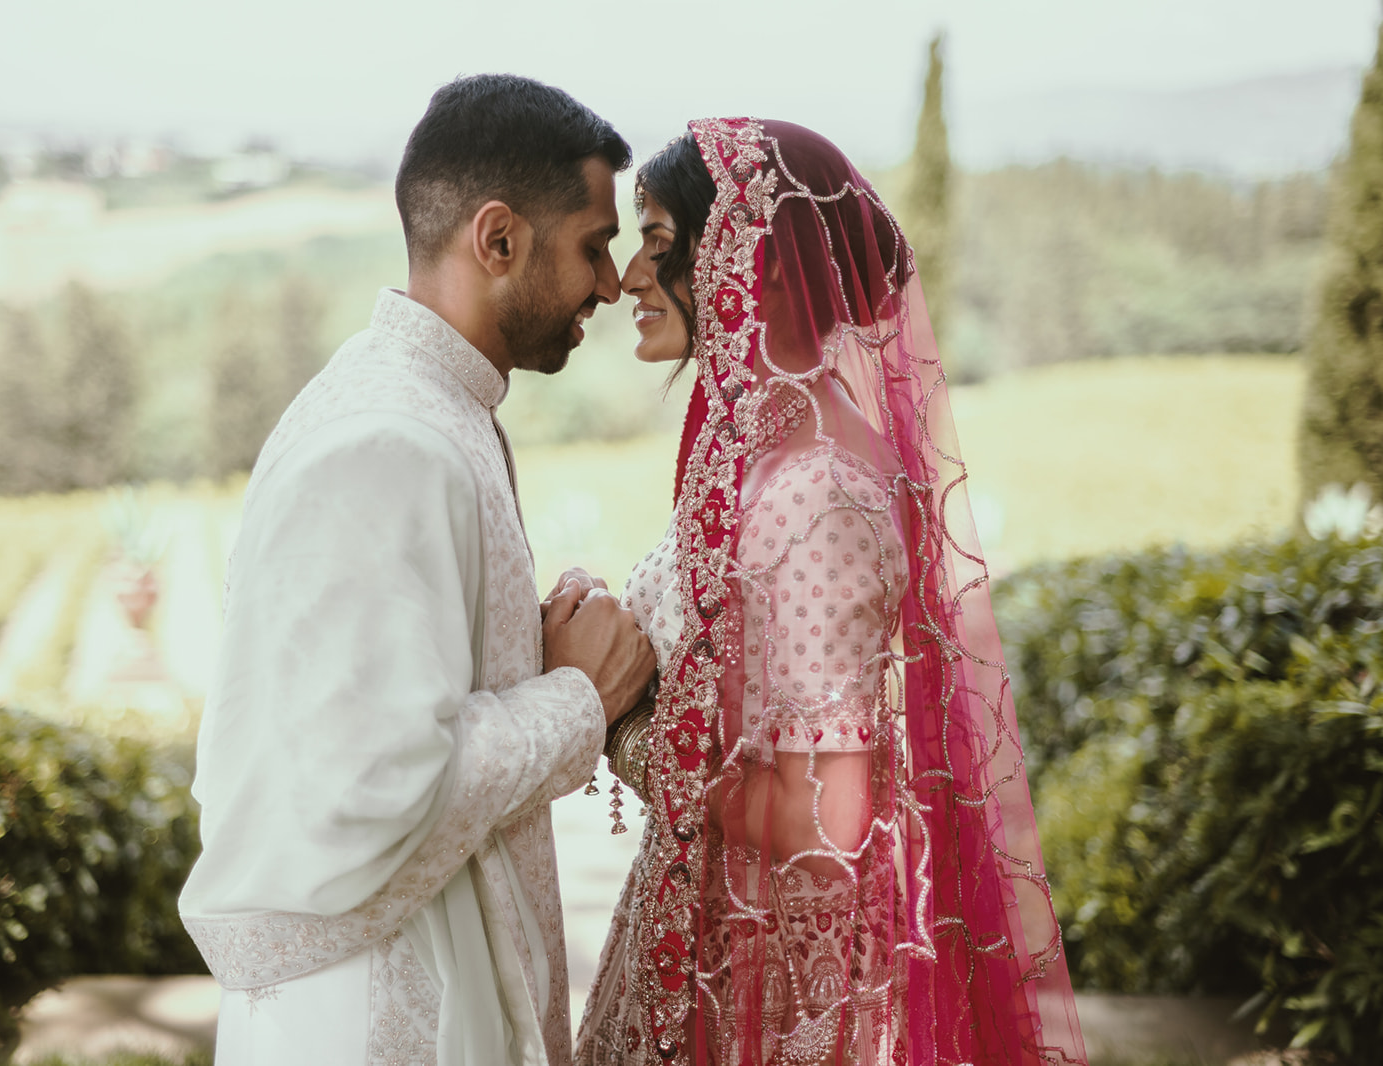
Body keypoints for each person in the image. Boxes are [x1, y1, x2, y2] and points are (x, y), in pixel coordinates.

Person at [573, 120, 1087, 1066]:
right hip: (711, 935)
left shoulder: (819, 493)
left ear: (755, 265)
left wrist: (619, 722)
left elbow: (827, 823)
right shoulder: (772, 450)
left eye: (659, 242)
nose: (632, 277)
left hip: (767, 994)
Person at [178, 75, 657, 1066]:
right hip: (364, 1013)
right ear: (498, 240)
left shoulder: (428, 406)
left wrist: (526, 650)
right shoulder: (388, 439)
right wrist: (581, 696)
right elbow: (372, 784)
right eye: (593, 245)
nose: (611, 285)